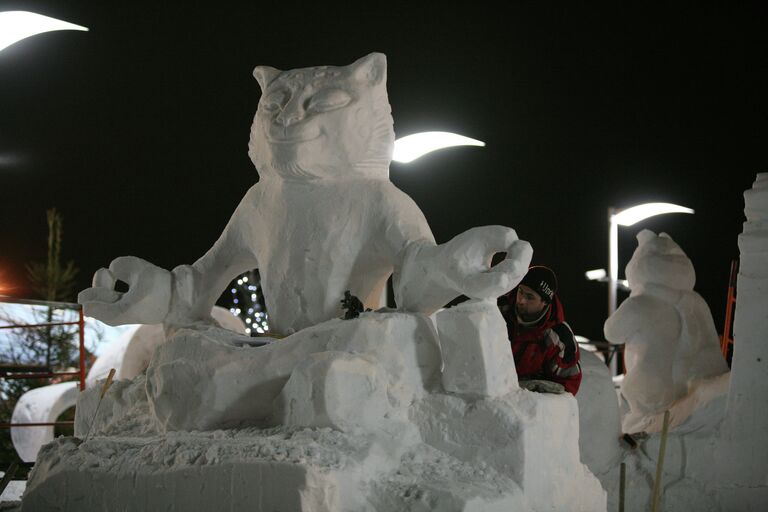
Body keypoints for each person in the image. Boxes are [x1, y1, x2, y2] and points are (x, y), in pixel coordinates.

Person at [499, 265, 582, 395]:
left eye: (530, 297)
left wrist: (530, 390)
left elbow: (568, 386)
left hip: (527, 406)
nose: (521, 300)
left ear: (544, 302)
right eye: (520, 291)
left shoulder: (559, 338)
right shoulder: (497, 310)